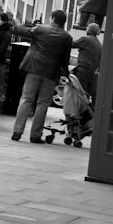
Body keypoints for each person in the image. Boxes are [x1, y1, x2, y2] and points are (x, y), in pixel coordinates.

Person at [11, 9, 73, 143]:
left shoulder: (41, 29)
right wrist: (65, 74)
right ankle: (35, 135)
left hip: (34, 69)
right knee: (43, 104)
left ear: (52, 18)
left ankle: (17, 131)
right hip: (51, 73)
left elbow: (22, 31)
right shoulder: (67, 37)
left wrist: (16, 22)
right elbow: (66, 59)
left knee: (26, 99)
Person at [72, 22, 102, 105]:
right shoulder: (99, 44)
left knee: (80, 92)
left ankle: (79, 110)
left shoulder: (85, 39)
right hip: (93, 73)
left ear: (89, 30)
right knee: (87, 94)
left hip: (83, 70)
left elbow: (71, 44)